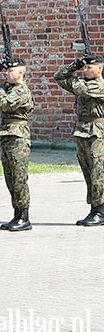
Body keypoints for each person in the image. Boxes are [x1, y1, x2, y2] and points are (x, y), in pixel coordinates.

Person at [0, 57, 34, 231]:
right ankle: (16, 213)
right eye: (5, 71)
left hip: (18, 136)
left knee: (19, 177)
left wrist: (3, 89)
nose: (7, 73)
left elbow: (3, 103)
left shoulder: (21, 91)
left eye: (10, 71)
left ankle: (23, 216)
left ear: (21, 72)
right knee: (10, 177)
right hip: (7, 135)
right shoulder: (7, 88)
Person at [54, 54, 104, 226]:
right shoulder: (83, 82)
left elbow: (81, 89)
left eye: (89, 67)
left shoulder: (100, 85)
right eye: (84, 67)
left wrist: (76, 75)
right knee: (88, 172)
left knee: (98, 173)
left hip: (98, 133)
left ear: (100, 68)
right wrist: (74, 65)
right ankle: (95, 209)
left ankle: (100, 211)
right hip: (83, 132)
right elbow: (59, 77)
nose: (85, 70)